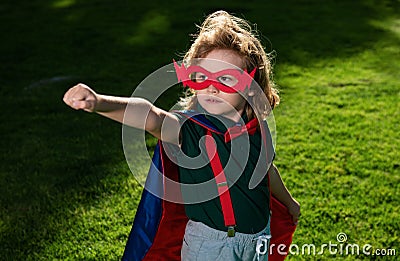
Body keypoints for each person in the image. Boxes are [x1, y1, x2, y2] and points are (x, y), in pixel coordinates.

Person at [63, 10, 300, 261]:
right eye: (202, 76)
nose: (211, 86)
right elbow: (151, 116)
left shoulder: (258, 128)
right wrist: (100, 102)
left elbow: (266, 171)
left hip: (260, 238)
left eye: (226, 78)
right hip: (211, 247)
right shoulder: (188, 129)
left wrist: (289, 202)